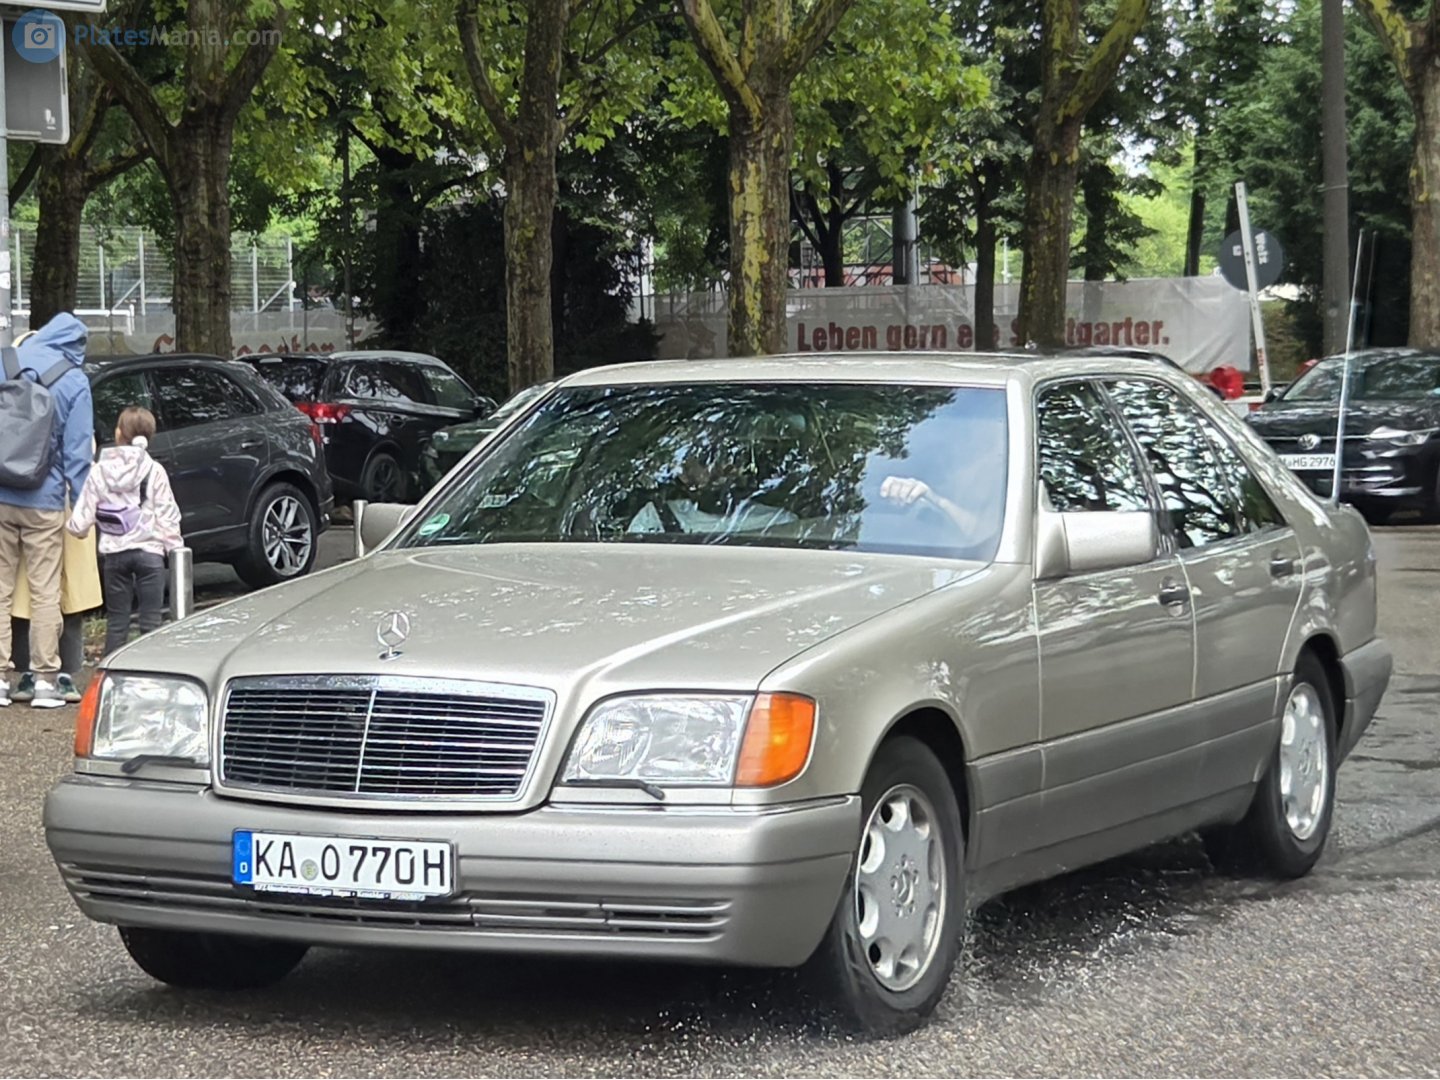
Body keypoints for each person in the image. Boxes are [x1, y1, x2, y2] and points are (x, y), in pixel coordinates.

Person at [0, 314, 93, 709]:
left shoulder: (6, 361)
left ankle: (1, 681)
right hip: (45, 500)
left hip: (1, 495)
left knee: (0, 590)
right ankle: (43, 681)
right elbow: (78, 450)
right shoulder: (74, 380)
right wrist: (81, 506)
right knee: (45, 592)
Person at [68, 407, 183, 657]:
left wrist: (73, 529)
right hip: (150, 555)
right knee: (151, 624)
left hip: (115, 556)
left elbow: (80, 522)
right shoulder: (155, 471)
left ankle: (112, 677)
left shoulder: (98, 470)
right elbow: (167, 516)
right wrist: (175, 550)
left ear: (118, 433)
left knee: (117, 624)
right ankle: (151, 676)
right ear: (149, 437)